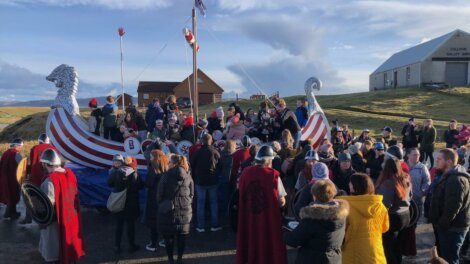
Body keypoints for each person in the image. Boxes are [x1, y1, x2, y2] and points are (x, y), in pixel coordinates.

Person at [236, 145, 287, 264]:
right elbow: (281, 201)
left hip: (249, 217)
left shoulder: (245, 173)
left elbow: (241, 193)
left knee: (250, 241)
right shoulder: (273, 175)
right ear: (269, 160)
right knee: (269, 245)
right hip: (268, 219)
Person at [37, 149, 85, 263]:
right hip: (71, 217)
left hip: (57, 220)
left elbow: (47, 206)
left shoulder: (49, 181)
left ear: (44, 163)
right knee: (70, 243)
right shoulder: (70, 174)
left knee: (55, 248)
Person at [285, 180, 349, 264]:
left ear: (314, 195)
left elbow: (293, 240)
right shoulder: (341, 215)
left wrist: (283, 234)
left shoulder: (312, 218)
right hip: (334, 259)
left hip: (312, 259)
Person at [429, 148, 470, 264]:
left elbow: (453, 207)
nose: (436, 161)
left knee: (450, 259)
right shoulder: (449, 175)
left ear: (449, 162)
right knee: (445, 257)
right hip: (449, 226)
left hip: (452, 228)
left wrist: (441, 224)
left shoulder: (455, 179)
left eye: (439, 159)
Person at [340, 173, 389, 264]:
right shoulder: (380, 205)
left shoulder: (346, 207)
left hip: (352, 254)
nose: (348, 185)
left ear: (355, 187)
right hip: (375, 254)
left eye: (350, 183)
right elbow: (385, 228)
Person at [157, 154, 193, 264]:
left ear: (174, 163)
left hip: (169, 212)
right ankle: (180, 259)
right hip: (185, 211)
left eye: (169, 162)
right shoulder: (188, 176)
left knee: (169, 238)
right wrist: (186, 204)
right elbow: (192, 194)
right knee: (182, 237)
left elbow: (159, 195)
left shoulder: (165, 176)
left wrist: (163, 205)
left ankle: (170, 259)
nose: (167, 164)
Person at [376, 158, 412, 264]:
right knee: (398, 246)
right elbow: (410, 196)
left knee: (388, 247)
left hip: (393, 217)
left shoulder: (388, 182)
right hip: (405, 215)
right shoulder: (406, 178)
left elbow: (385, 203)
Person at [108, 154, 144, 254]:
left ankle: (117, 246)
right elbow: (140, 186)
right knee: (130, 225)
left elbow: (109, 183)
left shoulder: (117, 171)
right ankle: (131, 245)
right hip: (131, 203)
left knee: (119, 225)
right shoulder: (135, 173)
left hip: (118, 201)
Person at [20, 134, 57, 224]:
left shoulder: (35, 148)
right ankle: (48, 218)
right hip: (49, 177)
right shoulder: (54, 149)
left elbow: (30, 163)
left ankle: (28, 217)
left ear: (40, 141)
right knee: (49, 199)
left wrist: (26, 175)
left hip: (36, 178)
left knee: (30, 197)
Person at [190, 133, 221, 232]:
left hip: (200, 181)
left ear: (202, 141)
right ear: (211, 140)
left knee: (200, 203)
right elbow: (220, 165)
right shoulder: (215, 151)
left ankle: (200, 226)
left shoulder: (198, 152)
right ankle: (214, 225)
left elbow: (192, 163)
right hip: (212, 181)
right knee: (213, 203)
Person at [405, 147, 431, 256]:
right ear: (408, 155)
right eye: (415, 154)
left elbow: (427, 181)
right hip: (404, 202)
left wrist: (422, 191)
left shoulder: (422, 167)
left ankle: (411, 248)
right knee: (405, 225)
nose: (417, 156)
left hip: (417, 201)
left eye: (418, 154)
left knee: (413, 224)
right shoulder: (403, 166)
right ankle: (404, 246)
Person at [144, 150, 169, 252]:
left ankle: (153, 244)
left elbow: (148, 184)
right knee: (164, 221)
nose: (150, 158)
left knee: (153, 223)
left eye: (151, 156)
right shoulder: (166, 169)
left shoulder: (152, 170)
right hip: (164, 199)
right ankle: (165, 241)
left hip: (153, 199)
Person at [0, 138, 23, 219]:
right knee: (12, 195)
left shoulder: (5, 153)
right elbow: (21, 167)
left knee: (10, 194)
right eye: (20, 146)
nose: (21, 148)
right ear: (17, 146)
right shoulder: (16, 154)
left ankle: (13, 212)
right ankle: (8, 213)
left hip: (4, 178)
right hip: (13, 178)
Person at [216, 140, 235, 216]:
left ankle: (224, 212)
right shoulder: (234, 155)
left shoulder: (221, 154)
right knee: (231, 196)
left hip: (223, 177)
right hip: (232, 178)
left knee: (224, 196)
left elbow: (219, 166)